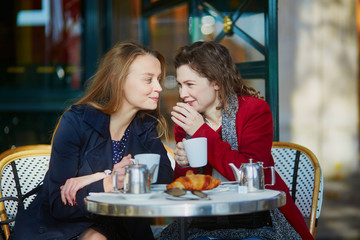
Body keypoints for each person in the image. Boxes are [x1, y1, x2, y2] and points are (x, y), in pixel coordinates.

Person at [11, 41, 174, 240]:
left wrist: (96, 178)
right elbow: (58, 205)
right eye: (148, 80)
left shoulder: (145, 126)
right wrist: (109, 180)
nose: (158, 87)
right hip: (62, 230)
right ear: (118, 81)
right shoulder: (77, 121)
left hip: (120, 226)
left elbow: (164, 179)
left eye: (159, 79)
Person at [160, 41, 313, 240]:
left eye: (190, 84)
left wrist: (200, 130)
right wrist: (182, 163)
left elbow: (249, 172)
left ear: (216, 82)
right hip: (202, 224)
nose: (182, 94)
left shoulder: (254, 111)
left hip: (255, 222)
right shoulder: (186, 122)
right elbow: (184, 187)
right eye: (180, 85)